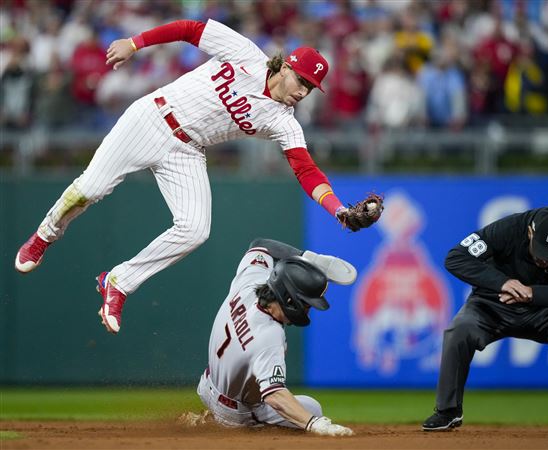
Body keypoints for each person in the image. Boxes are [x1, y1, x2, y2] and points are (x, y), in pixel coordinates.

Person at [14, 18, 374, 335]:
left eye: (310, 87)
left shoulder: (284, 120)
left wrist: (339, 211)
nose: (303, 90)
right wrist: (135, 43)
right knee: (91, 188)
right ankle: (44, 235)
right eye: (302, 79)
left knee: (195, 229)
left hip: (187, 150)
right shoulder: (247, 54)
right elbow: (190, 29)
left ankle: (119, 281)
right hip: (153, 118)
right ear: (285, 67)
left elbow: (305, 169)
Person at [422, 207, 548, 434]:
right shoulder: (508, 228)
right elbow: (455, 258)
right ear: (530, 233)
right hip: (491, 306)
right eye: (541, 252)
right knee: (459, 330)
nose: (545, 260)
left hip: (545, 311)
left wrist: (532, 293)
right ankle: (448, 410)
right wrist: (502, 282)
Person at [197, 237, 355, 435]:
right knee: (311, 409)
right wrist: (315, 424)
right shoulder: (269, 336)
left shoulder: (251, 282)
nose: (309, 310)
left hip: (207, 384)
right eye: (306, 304)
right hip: (236, 412)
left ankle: (208, 418)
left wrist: (307, 259)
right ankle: (237, 429)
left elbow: (260, 244)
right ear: (289, 300)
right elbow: (274, 395)